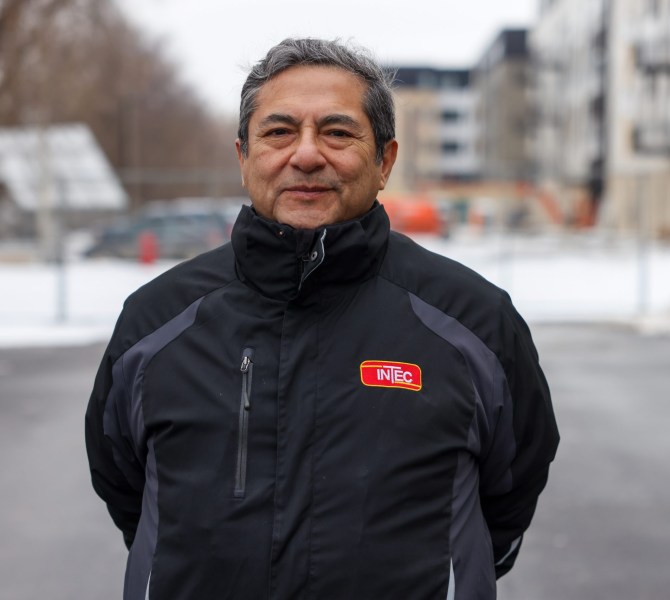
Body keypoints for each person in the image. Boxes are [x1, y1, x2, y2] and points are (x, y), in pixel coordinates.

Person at [85, 37, 559, 600]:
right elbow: (125, 487)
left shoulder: (474, 321)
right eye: (279, 132)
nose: (306, 155)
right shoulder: (155, 322)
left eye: (337, 132)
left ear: (385, 161)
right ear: (244, 157)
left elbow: (510, 491)